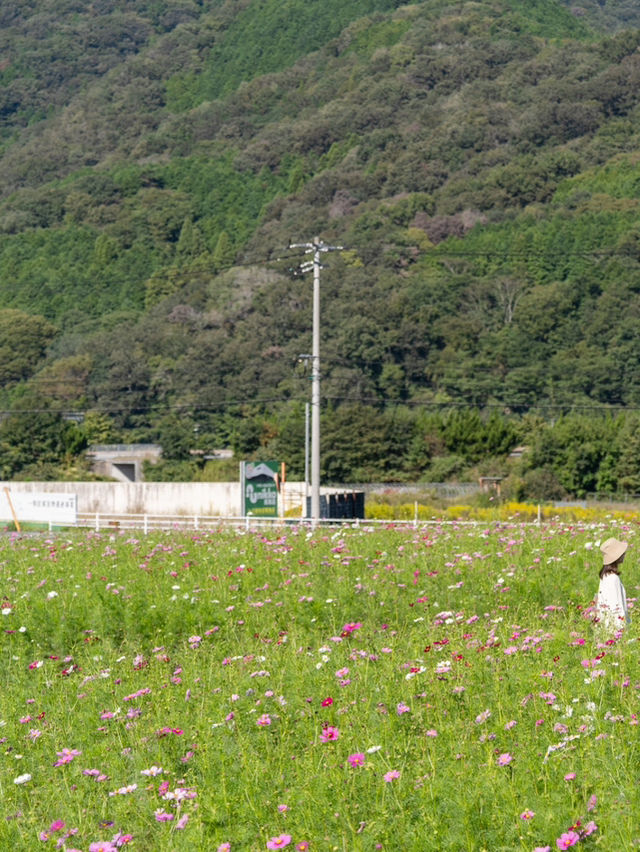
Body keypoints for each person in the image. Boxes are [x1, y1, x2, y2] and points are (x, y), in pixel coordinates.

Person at [595, 537, 629, 635]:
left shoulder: (605, 576)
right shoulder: (613, 578)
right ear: (617, 556)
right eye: (622, 553)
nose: (624, 554)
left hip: (606, 627)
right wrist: (622, 630)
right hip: (614, 630)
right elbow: (617, 606)